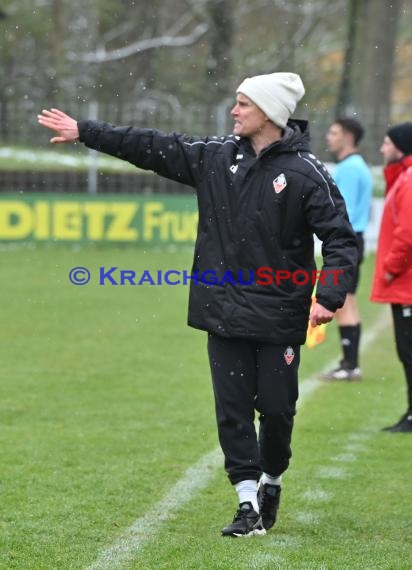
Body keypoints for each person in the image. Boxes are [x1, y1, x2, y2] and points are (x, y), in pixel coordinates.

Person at [37, 72, 358, 536]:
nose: (234, 111)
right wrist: (86, 131)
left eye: (243, 103)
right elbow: (149, 145)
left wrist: (328, 295)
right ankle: (247, 503)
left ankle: (271, 479)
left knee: (277, 409)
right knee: (232, 409)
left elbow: (341, 240)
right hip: (222, 311)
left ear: (268, 113)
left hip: (279, 313)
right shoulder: (214, 157)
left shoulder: (306, 173)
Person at [321, 118, 373, 381]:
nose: (329, 137)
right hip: (354, 240)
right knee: (347, 302)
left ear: (348, 136)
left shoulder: (351, 169)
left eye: (334, 132)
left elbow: (346, 213)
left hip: (349, 241)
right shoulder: (352, 166)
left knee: (345, 302)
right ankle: (349, 363)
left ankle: (349, 365)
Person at [371, 122, 412, 433]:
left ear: (401, 146)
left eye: (387, 143)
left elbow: (408, 232)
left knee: (409, 350)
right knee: (405, 350)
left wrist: (390, 267)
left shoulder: (410, 180)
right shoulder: (403, 178)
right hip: (403, 284)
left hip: (406, 284)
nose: (383, 149)